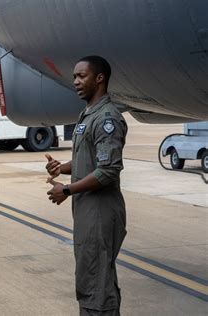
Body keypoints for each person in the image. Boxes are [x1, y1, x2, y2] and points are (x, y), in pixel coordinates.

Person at [46, 55, 127, 315]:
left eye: (82, 76)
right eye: (74, 77)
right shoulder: (87, 114)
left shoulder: (107, 119)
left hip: (100, 212)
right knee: (92, 278)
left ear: (99, 78)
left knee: (96, 284)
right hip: (87, 210)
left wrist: (67, 189)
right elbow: (88, 158)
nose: (76, 82)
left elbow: (108, 171)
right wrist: (63, 167)